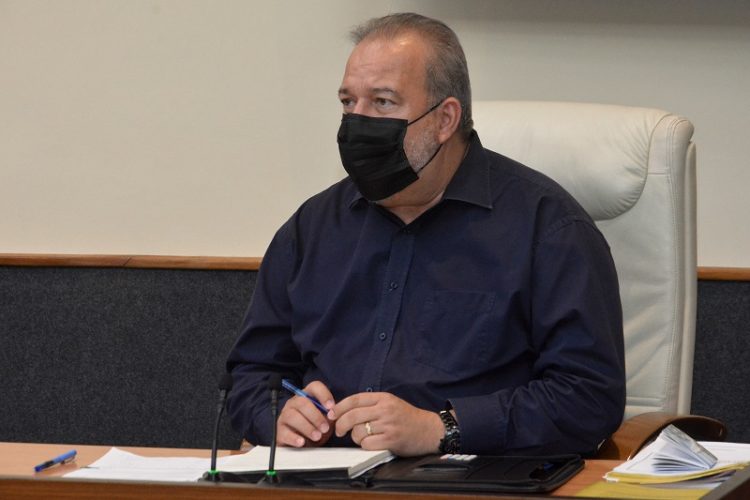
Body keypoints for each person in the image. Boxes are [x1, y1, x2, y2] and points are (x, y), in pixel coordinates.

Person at [226, 12, 625, 458]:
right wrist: (279, 413)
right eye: (348, 102)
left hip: (469, 477)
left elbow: (588, 398)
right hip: (323, 476)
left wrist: (442, 427)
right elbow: (250, 375)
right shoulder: (311, 228)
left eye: (382, 103)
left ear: (445, 119)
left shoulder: (548, 228)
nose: (356, 123)